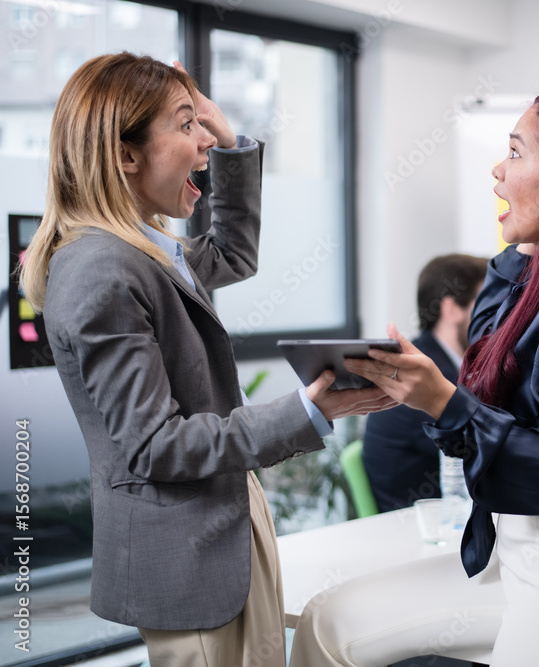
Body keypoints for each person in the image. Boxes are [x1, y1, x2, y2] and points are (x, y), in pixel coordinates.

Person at [18, 53, 394, 667]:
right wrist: (309, 411)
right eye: (185, 124)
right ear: (125, 155)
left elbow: (233, 253)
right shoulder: (103, 269)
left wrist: (229, 139)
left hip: (222, 523)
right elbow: (155, 446)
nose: (204, 142)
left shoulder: (146, 251)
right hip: (188, 556)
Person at [289, 89, 539, 666]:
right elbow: (488, 397)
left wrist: (442, 401)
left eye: (515, 153)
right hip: (516, 553)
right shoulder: (533, 279)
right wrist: (521, 254)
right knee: (328, 624)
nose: (497, 169)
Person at [362, 253, 488, 512]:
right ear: (452, 309)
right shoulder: (423, 376)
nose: (498, 316)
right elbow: (485, 456)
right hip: (419, 526)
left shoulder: (441, 363)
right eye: (488, 303)